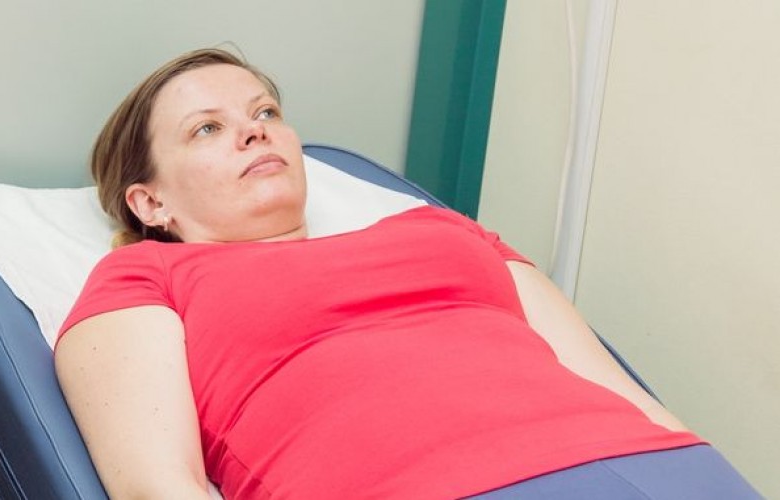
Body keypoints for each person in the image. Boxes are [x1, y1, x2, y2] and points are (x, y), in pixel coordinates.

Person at [54, 48, 760, 499]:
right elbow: (157, 485)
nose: (254, 129)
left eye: (265, 111)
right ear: (150, 202)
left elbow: (626, 395)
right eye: (206, 128)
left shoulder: (444, 231)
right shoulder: (146, 276)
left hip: (652, 468)